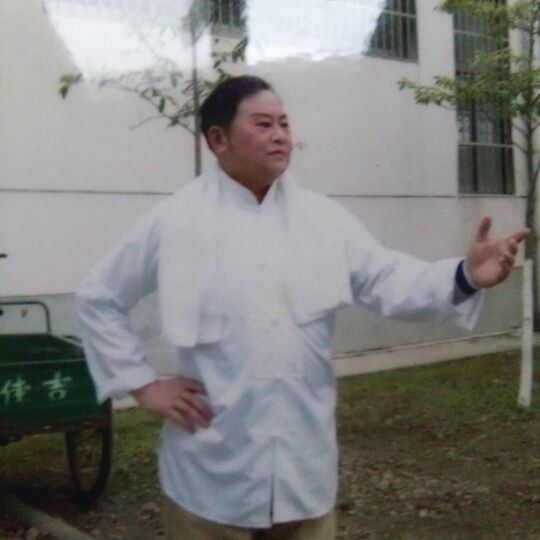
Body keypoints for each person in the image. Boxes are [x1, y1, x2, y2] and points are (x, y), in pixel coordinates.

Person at [76, 75, 528, 540]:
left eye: (285, 123)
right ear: (218, 139)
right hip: (210, 483)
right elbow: (98, 296)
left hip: (304, 478)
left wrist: (465, 276)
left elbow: (388, 279)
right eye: (263, 124)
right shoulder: (174, 221)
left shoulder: (322, 220)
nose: (280, 136)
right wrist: (142, 384)